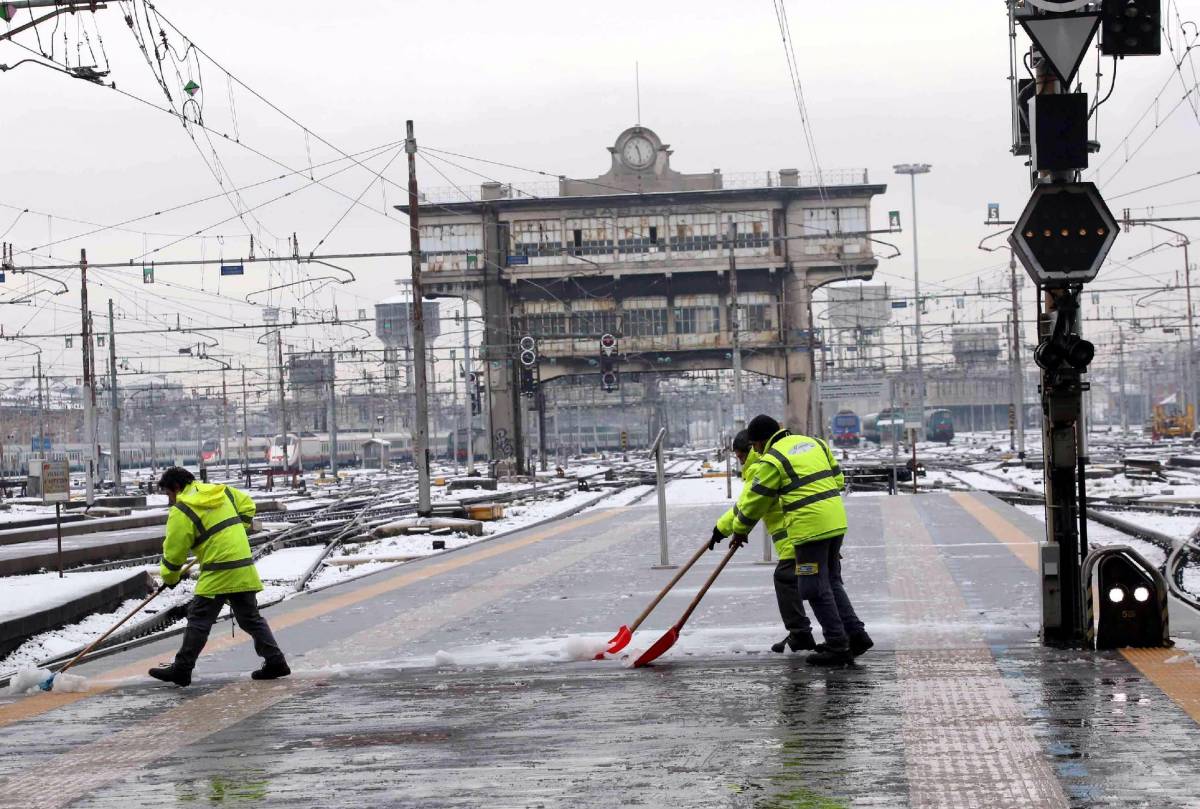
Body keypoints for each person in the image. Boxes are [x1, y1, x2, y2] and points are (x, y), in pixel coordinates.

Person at [710, 415, 871, 666]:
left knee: (814, 587)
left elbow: (754, 503)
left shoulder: (773, 460)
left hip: (809, 531)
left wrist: (739, 529)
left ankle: (838, 646)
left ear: (761, 442)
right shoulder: (815, 443)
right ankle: (856, 635)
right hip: (836, 522)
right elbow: (838, 480)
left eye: (754, 445)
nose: (754, 450)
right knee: (830, 581)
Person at [149, 467, 290, 687]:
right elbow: (248, 505)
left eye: (168, 494)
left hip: (217, 571)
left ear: (176, 488)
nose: (170, 500)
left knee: (199, 619)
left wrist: (170, 577)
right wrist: (233, 530)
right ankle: (275, 661)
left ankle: (182, 670)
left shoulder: (182, 509)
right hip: (242, 565)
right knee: (250, 618)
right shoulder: (221, 491)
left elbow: (174, 551)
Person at [718, 431, 815, 655]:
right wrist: (722, 530)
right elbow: (746, 506)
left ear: (753, 448)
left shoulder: (762, 469)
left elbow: (747, 507)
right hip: (809, 533)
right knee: (821, 583)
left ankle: (803, 634)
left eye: (741, 456)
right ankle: (843, 632)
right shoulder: (769, 464)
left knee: (790, 580)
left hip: (796, 537)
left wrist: (724, 530)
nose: (740, 461)